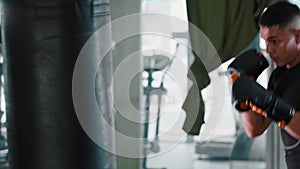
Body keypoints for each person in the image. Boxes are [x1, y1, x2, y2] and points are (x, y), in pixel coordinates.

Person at [230, 1, 300, 169]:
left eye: (275, 41)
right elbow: (255, 129)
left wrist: (271, 104)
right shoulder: (278, 75)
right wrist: (245, 85)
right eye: (266, 42)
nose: (269, 50)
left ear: (298, 36)